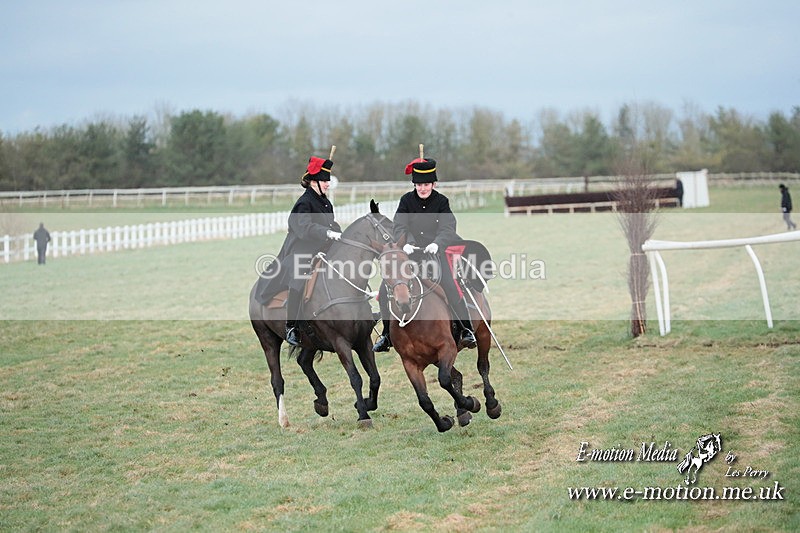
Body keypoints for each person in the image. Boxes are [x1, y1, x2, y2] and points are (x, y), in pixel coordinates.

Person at [373, 156, 477, 352]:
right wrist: (408, 243)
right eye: (419, 185)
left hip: (435, 254)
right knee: (385, 289)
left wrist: (437, 244)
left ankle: (466, 329)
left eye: (426, 184)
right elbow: (399, 226)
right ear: (414, 184)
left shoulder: (442, 202)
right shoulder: (406, 201)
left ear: (433, 183)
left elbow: (448, 227)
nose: (422, 188)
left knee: (450, 284)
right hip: (410, 255)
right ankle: (386, 335)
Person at [257, 156, 342, 346]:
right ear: (313, 182)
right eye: (325, 181)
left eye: (328, 181)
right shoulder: (304, 203)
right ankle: (292, 326)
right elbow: (305, 228)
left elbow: (331, 223)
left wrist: (340, 234)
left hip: (322, 250)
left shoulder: (325, 202)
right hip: (300, 252)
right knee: (299, 279)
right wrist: (327, 232)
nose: (328, 184)